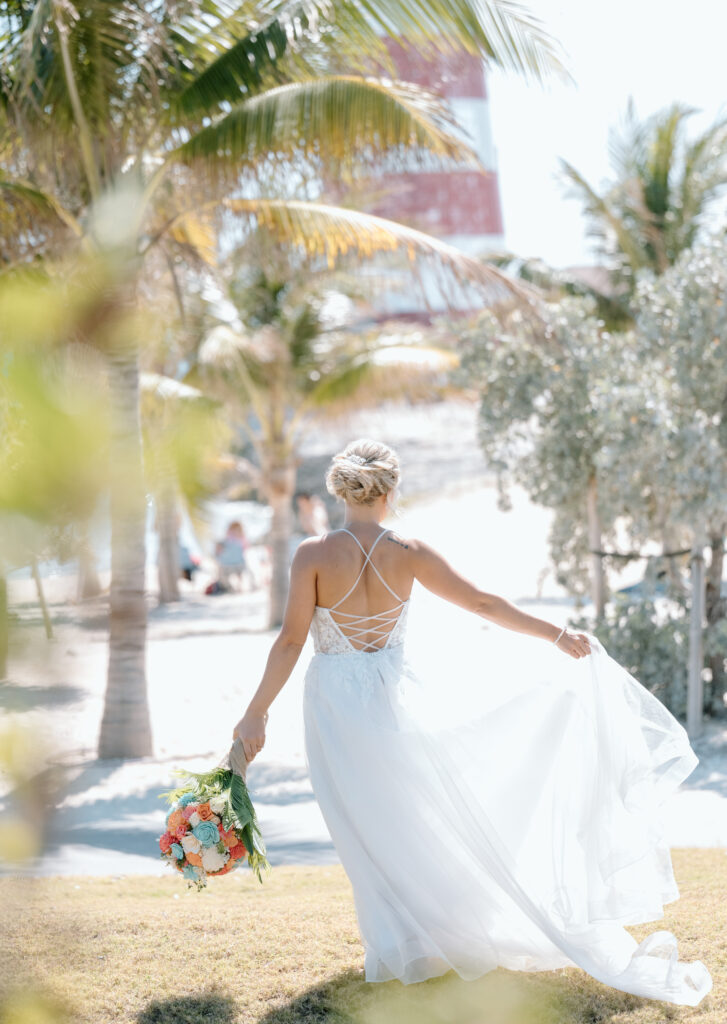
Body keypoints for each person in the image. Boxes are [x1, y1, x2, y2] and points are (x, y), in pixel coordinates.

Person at [232, 439, 711, 1007]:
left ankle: (404, 948)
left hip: (335, 702)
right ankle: (417, 945)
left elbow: (290, 642)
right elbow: (483, 603)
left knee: (367, 827)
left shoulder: (312, 554)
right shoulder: (409, 550)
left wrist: (256, 711)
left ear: (341, 489)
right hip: (392, 694)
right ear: (389, 490)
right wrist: (556, 635)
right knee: (409, 819)